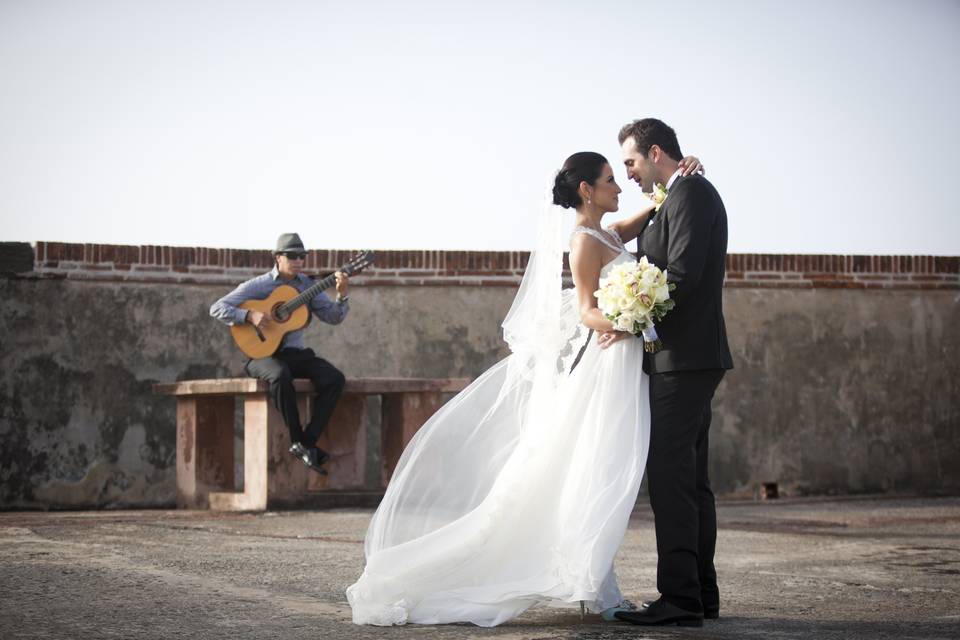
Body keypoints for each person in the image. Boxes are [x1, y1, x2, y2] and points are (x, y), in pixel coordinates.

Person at [346, 152, 704, 627]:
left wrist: (676, 180)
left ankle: (593, 582)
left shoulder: (607, 234)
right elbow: (585, 312)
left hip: (624, 364)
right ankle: (597, 589)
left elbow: (654, 210)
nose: (619, 188)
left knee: (605, 471)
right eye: (610, 181)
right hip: (609, 366)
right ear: (586, 190)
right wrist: (631, 318)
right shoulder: (582, 242)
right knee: (599, 470)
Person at [606, 119, 733, 627]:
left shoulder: (691, 195)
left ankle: (680, 599)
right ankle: (701, 594)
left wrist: (633, 318)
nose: (629, 174)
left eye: (631, 163)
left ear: (655, 152)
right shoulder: (674, 196)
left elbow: (681, 276)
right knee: (691, 480)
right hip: (686, 357)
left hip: (684, 358)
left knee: (671, 480)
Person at [209, 232, 350, 475]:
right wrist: (249, 315)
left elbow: (333, 317)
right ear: (277, 258)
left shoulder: (307, 286)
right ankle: (298, 440)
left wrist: (342, 294)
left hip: (296, 354)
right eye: (292, 256)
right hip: (262, 356)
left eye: (302, 256)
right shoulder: (260, 285)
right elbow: (217, 308)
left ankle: (306, 442)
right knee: (280, 375)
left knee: (334, 379)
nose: (298, 261)